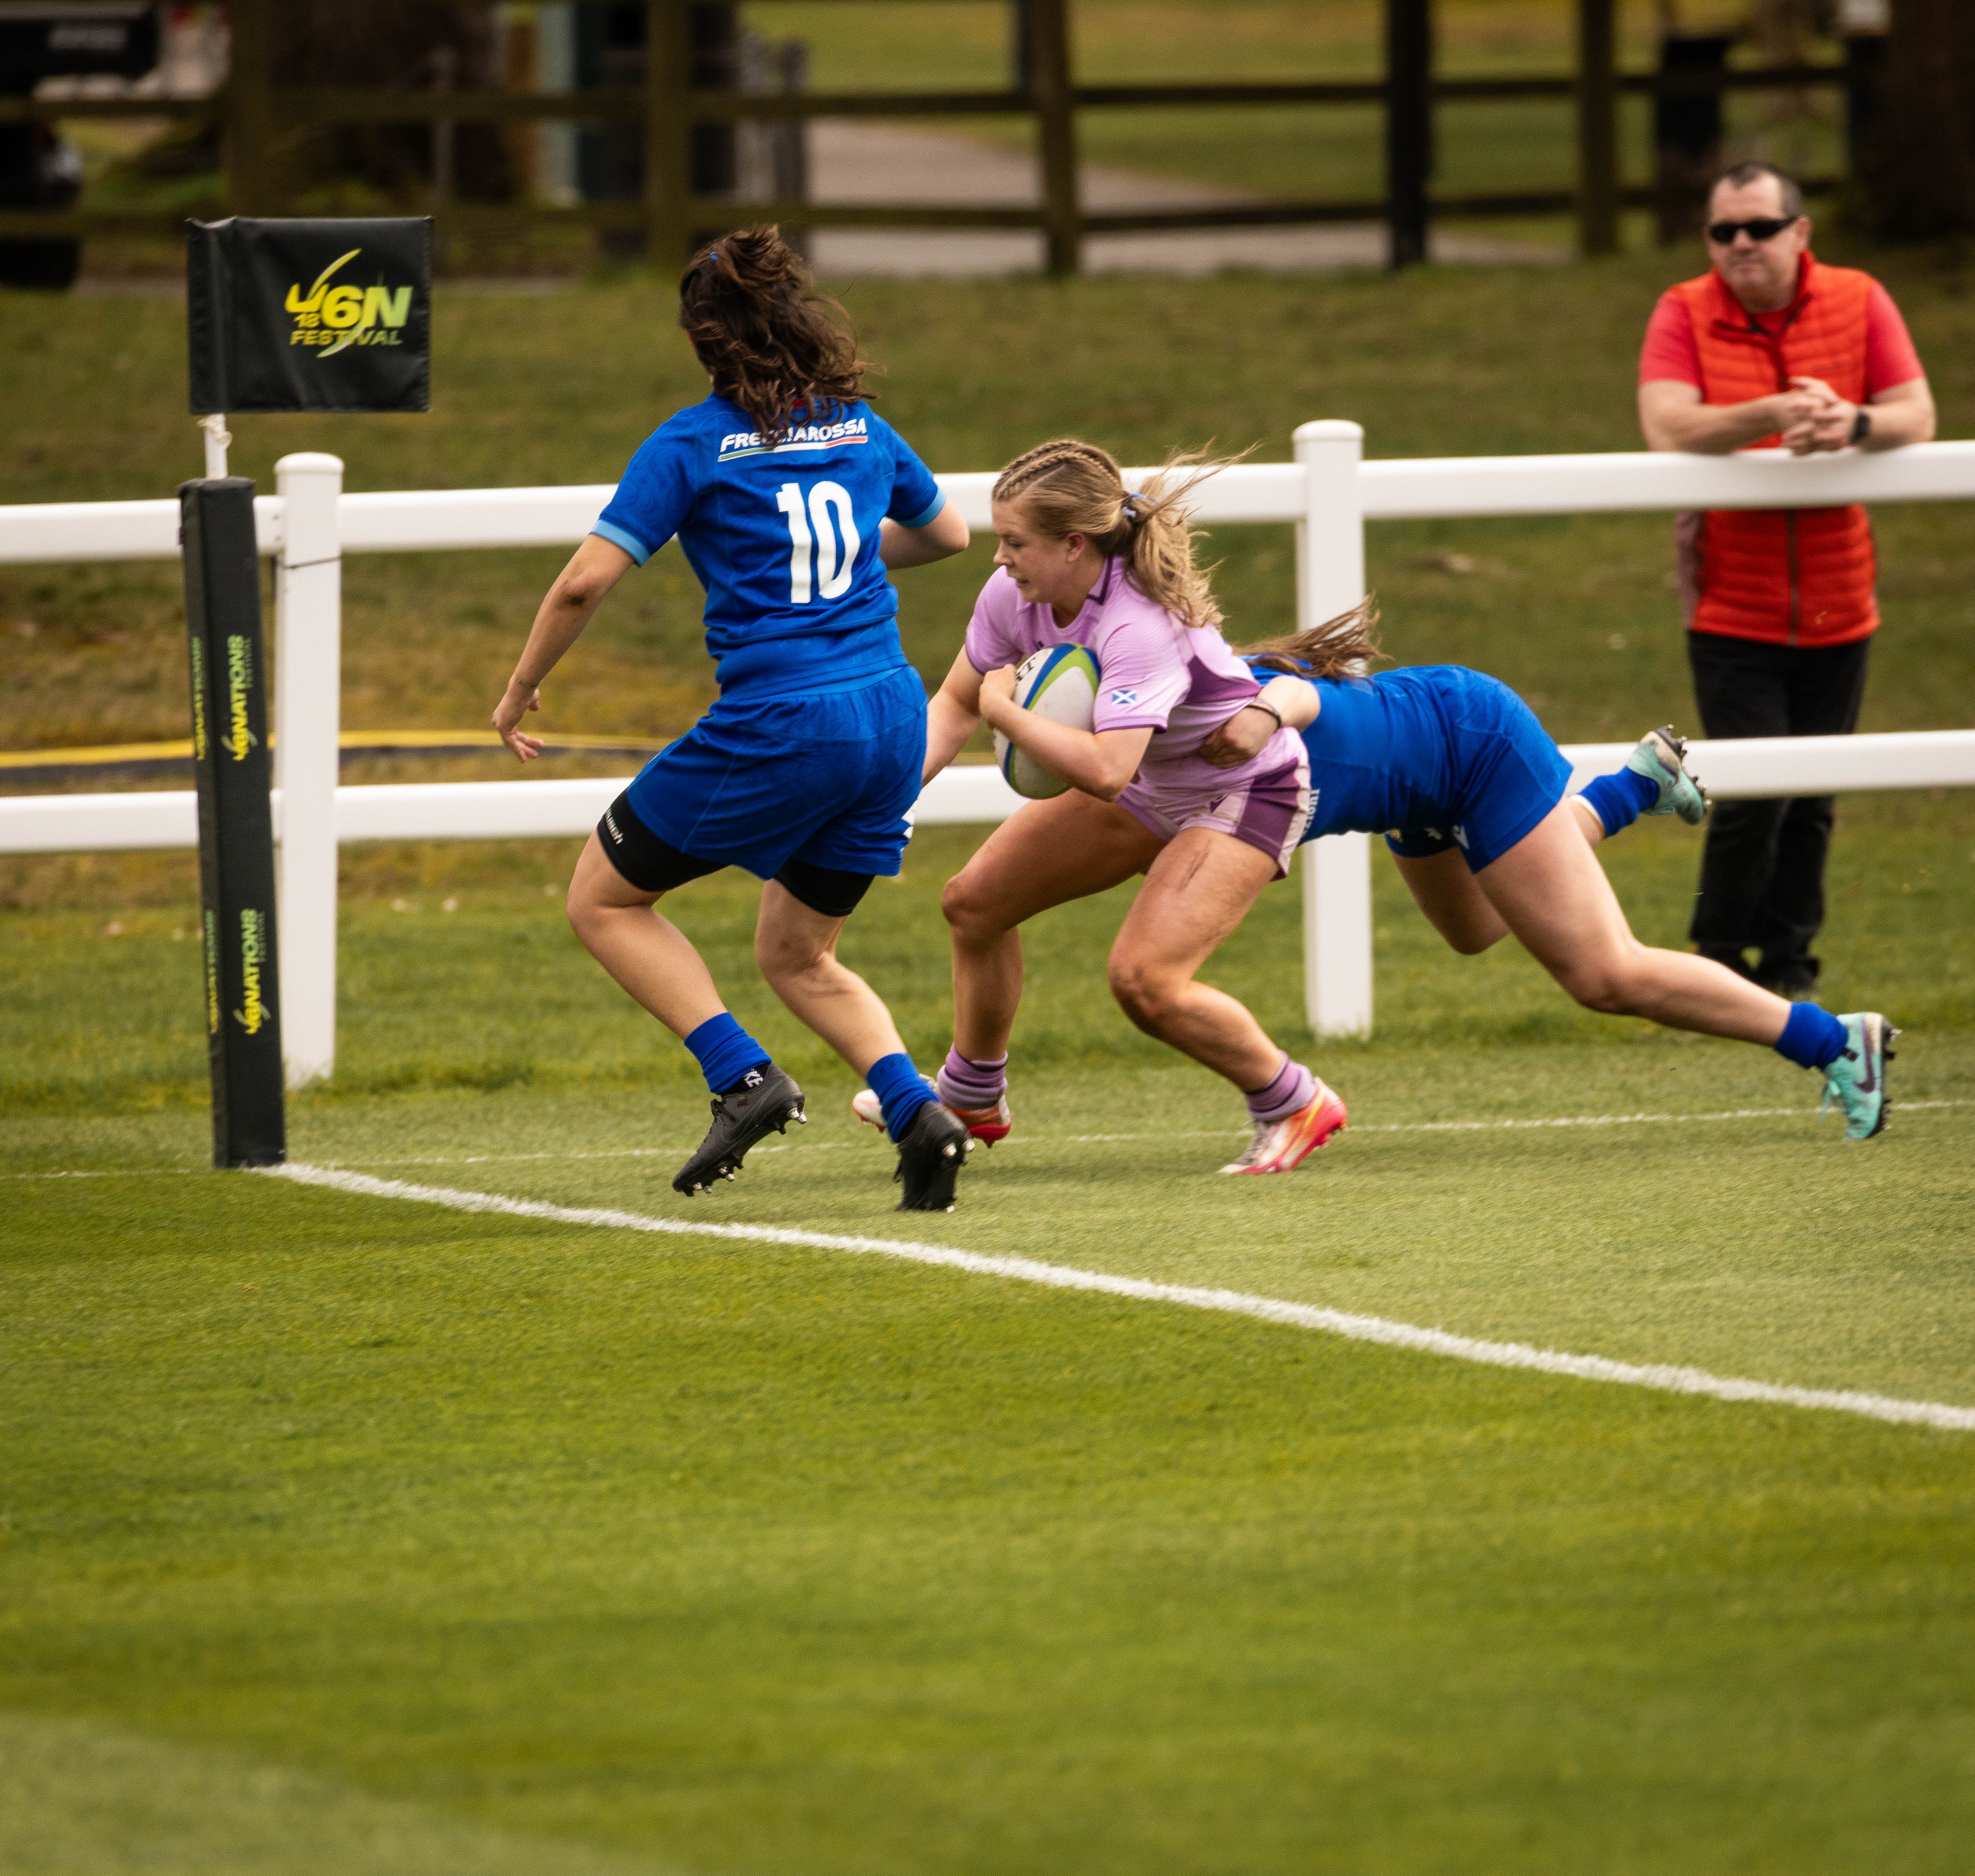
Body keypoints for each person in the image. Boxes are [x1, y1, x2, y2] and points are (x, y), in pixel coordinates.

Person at [492, 226, 976, 1212]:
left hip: (786, 719)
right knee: (799, 954)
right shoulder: (860, 427)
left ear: (705, 342)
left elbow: (586, 583)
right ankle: (919, 1111)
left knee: (603, 898)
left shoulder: (691, 442)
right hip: (892, 715)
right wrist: (844, 574)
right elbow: (949, 534)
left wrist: (519, 687)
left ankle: (743, 1078)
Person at [1195, 614, 1897, 1141]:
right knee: (1476, 927)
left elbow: (1287, 692)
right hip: (1417, 782)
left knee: (1605, 975)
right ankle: (1631, 789)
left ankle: (1835, 1042)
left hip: (1468, 740)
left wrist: (1261, 717)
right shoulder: (1144, 693)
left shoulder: (1190, 684)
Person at [860, 438, 1349, 1177]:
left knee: (1146, 981)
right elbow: (956, 705)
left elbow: (1105, 771)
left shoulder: (1138, 623)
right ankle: (972, 1096)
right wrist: (881, 802)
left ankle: (1293, 1101)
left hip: (1242, 790)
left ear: (1073, 545)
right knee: (974, 903)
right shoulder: (1014, 596)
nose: (999, 558)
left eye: (1015, 542)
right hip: (1153, 784)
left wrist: (1009, 713)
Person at [1637, 159, 1936, 998]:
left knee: (1812, 799)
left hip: (1844, 601)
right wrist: (1770, 416)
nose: (1741, 245)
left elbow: (1917, 413)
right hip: (1731, 599)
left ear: (1800, 233)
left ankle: (1794, 967)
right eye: (1723, 231)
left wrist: (1854, 421)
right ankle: (1718, 963)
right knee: (1749, 793)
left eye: (1760, 228)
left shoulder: (1860, 296)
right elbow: (1666, 427)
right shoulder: (1682, 310)